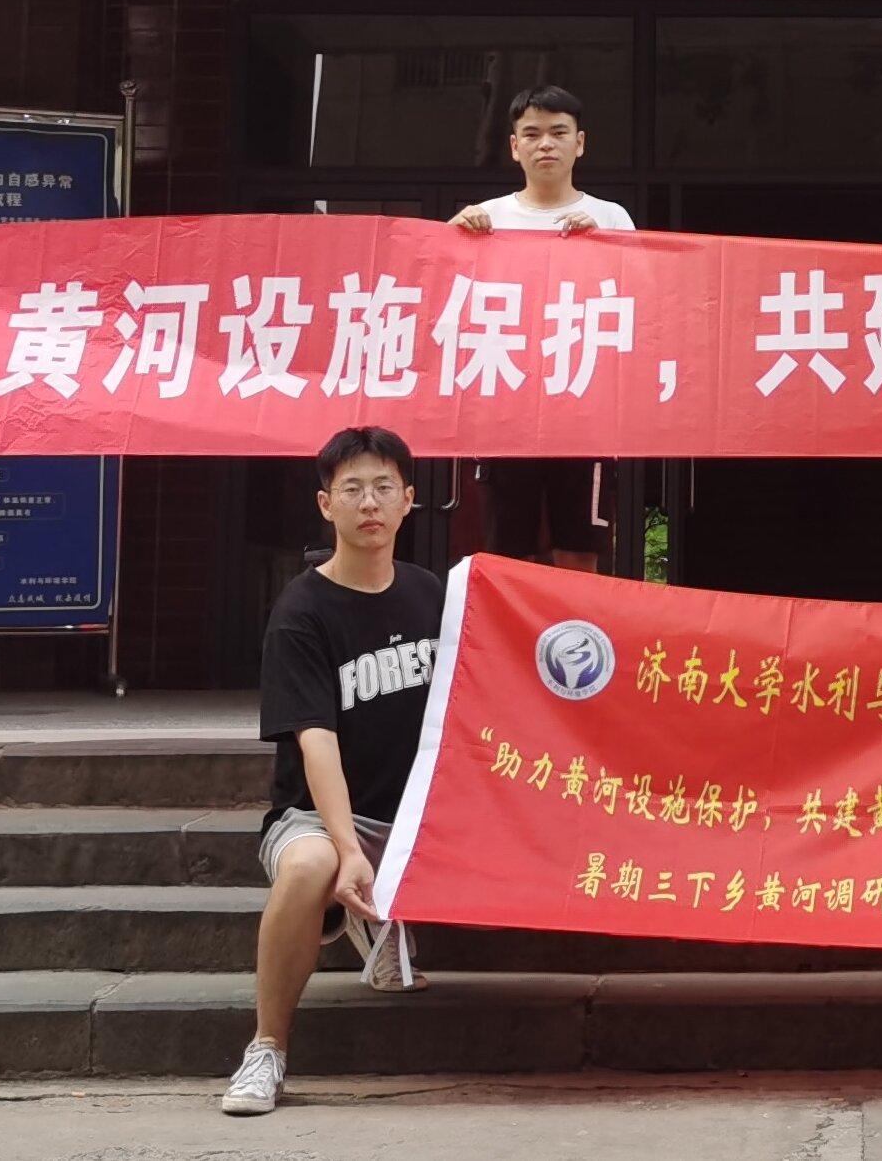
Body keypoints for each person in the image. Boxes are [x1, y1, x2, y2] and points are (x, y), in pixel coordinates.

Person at [223, 425, 445, 1116]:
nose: (369, 503)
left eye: (383, 487)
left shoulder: (432, 596)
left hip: (413, 818)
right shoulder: (301, 612)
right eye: (352, 489)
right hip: (318, 817)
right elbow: (315, 741)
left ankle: (385, 920)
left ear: (408, 500)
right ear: (326, 505)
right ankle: (266, 1049)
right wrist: (350, 847)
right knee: (310, 866)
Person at [448, 84, 634, 571]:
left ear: (580, 142)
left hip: (585, 409)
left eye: (558, 132)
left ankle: (579, 626)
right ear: (514, 146)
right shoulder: (485, 217)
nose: (545, 144)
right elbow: (442, 295)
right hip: (507, 410)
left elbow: (639, 305)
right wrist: (452, 236)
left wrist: (605, 247)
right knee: (510, 554)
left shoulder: (612, 218)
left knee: (582, 551)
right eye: (531, 134)